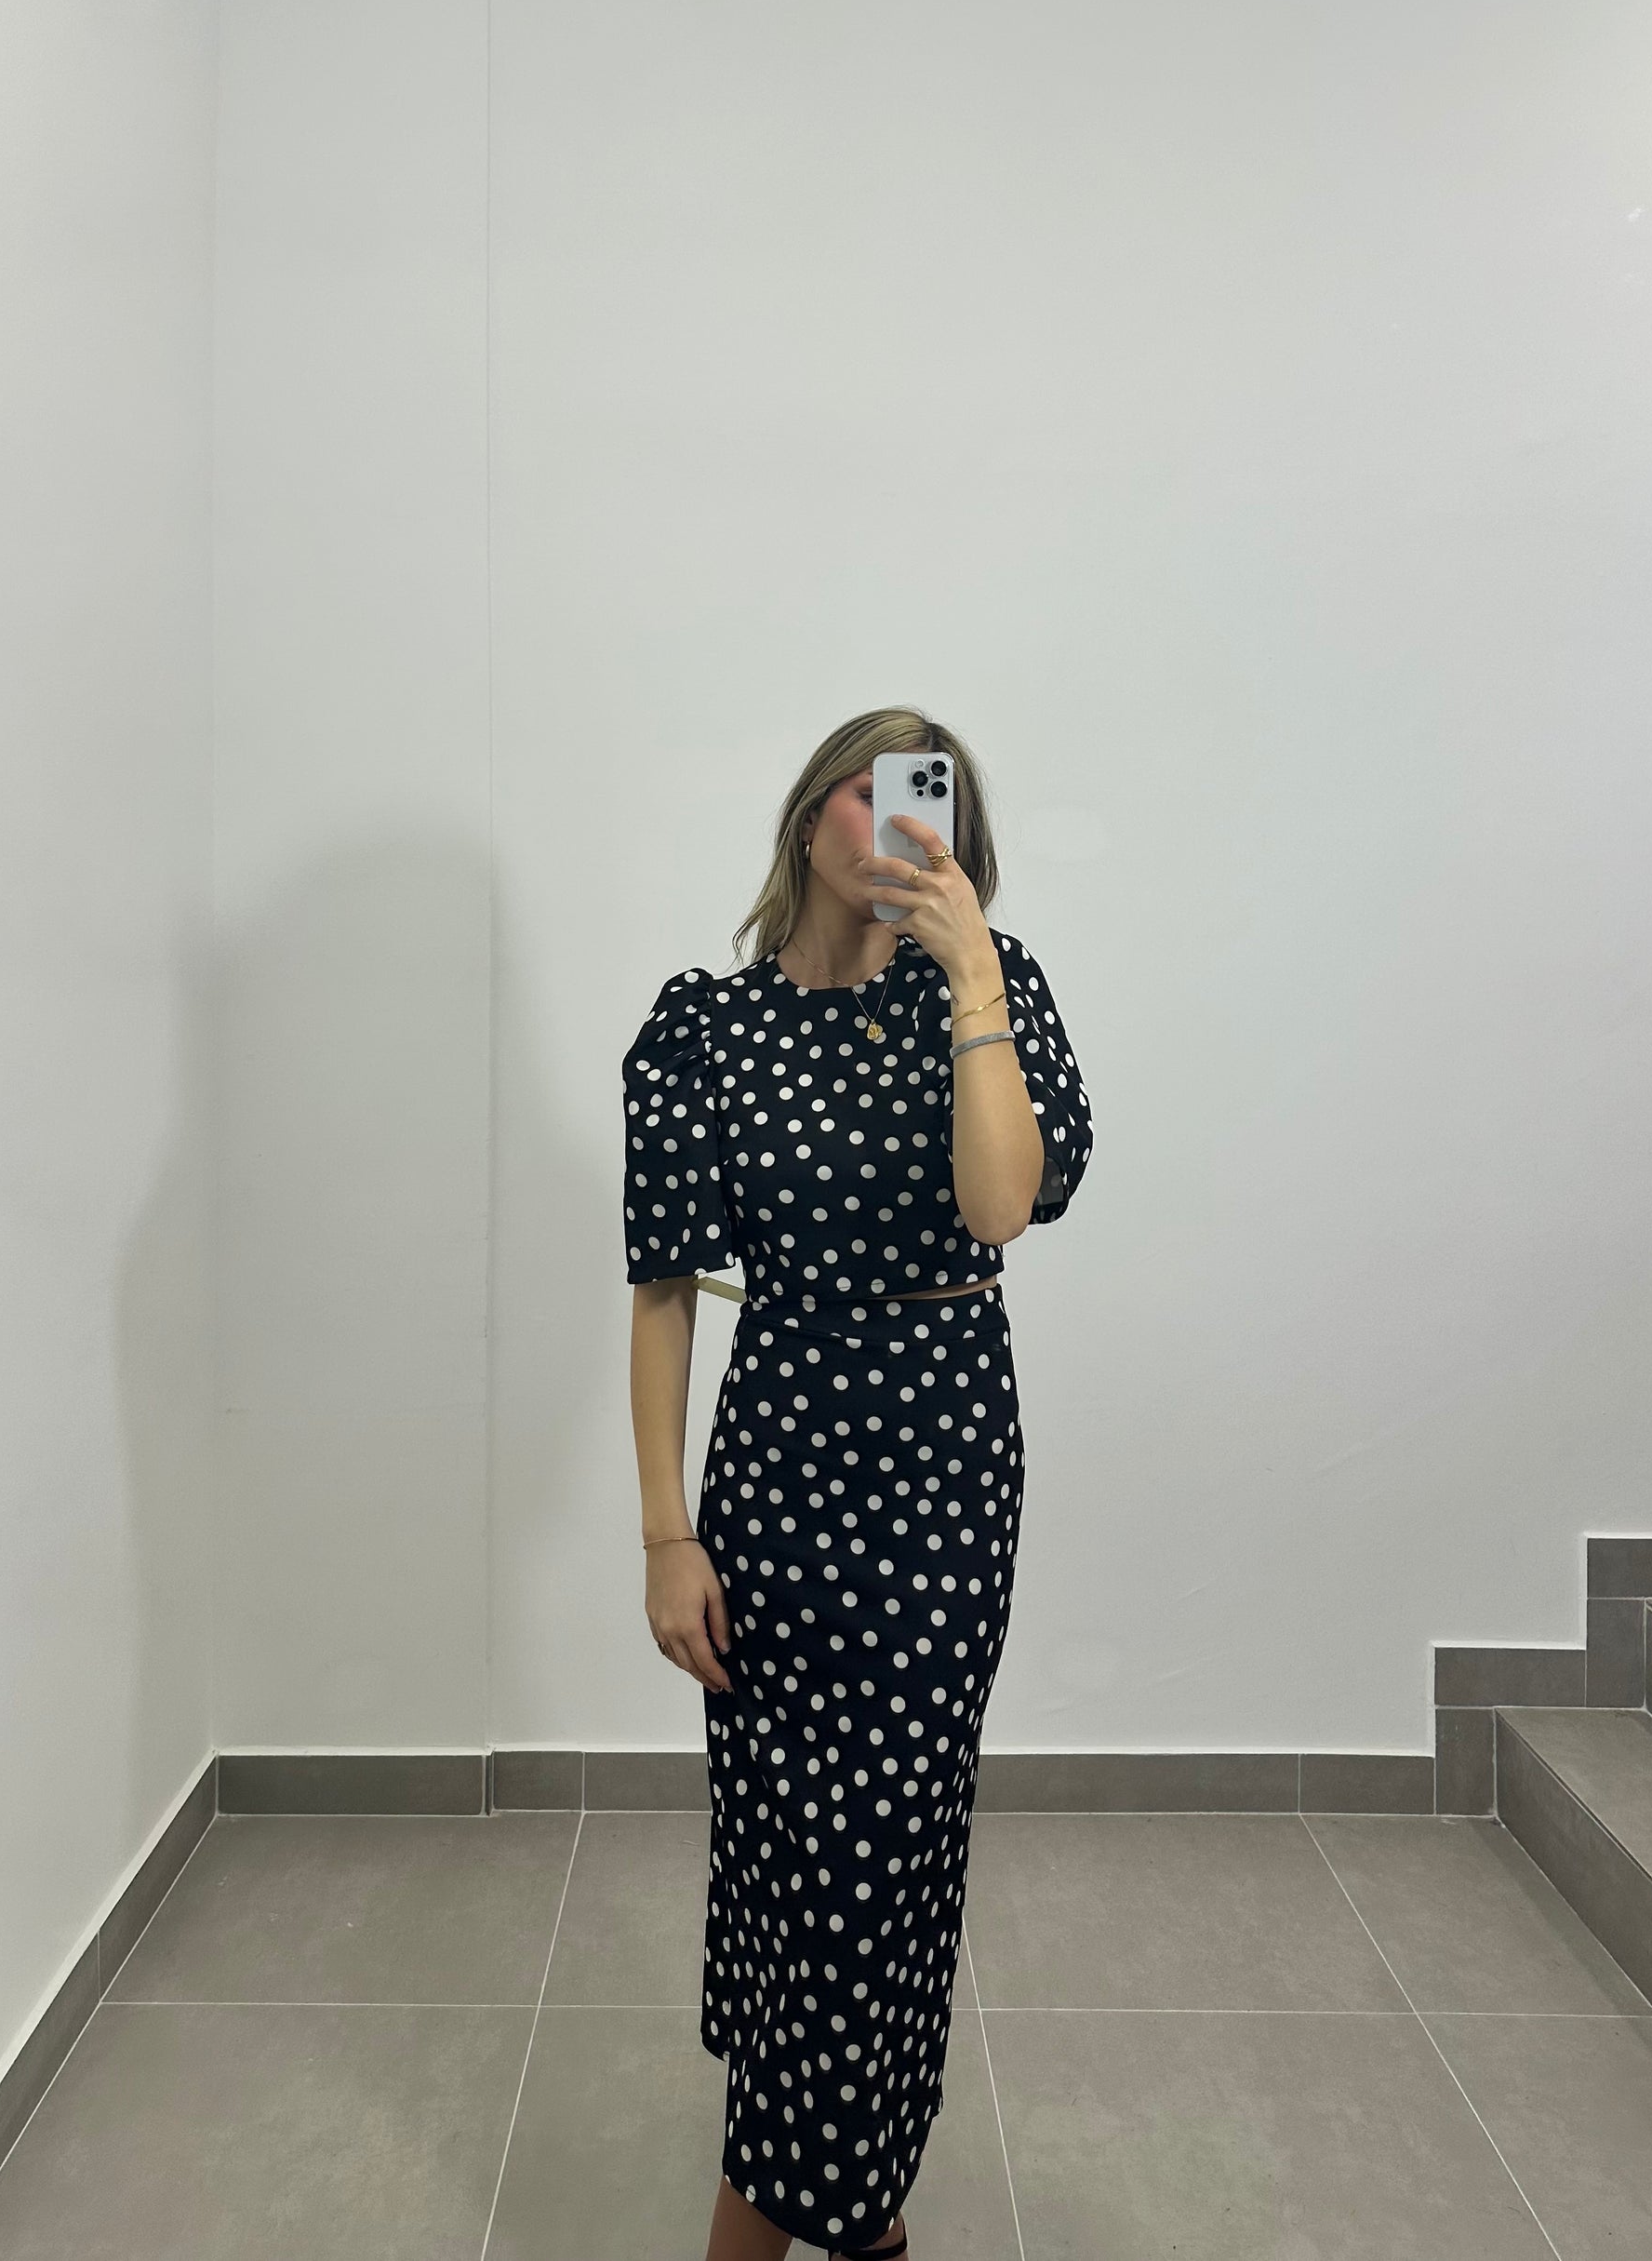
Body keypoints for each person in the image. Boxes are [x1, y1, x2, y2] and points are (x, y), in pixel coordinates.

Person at [622, 707, 1093, 2261]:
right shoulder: (704, 1027)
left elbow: (1000, 1208)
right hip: (776, 1468)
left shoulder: (995, 989)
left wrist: (971, 984)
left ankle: (792, 2199)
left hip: (943, 1472)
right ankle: (860, 2205)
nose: (896, 820)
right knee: (784, 1849)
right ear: (809, 812)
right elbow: (664, 1291)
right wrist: (665, 1534)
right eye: (869, 787)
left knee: (887, 1856)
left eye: (926, 795)